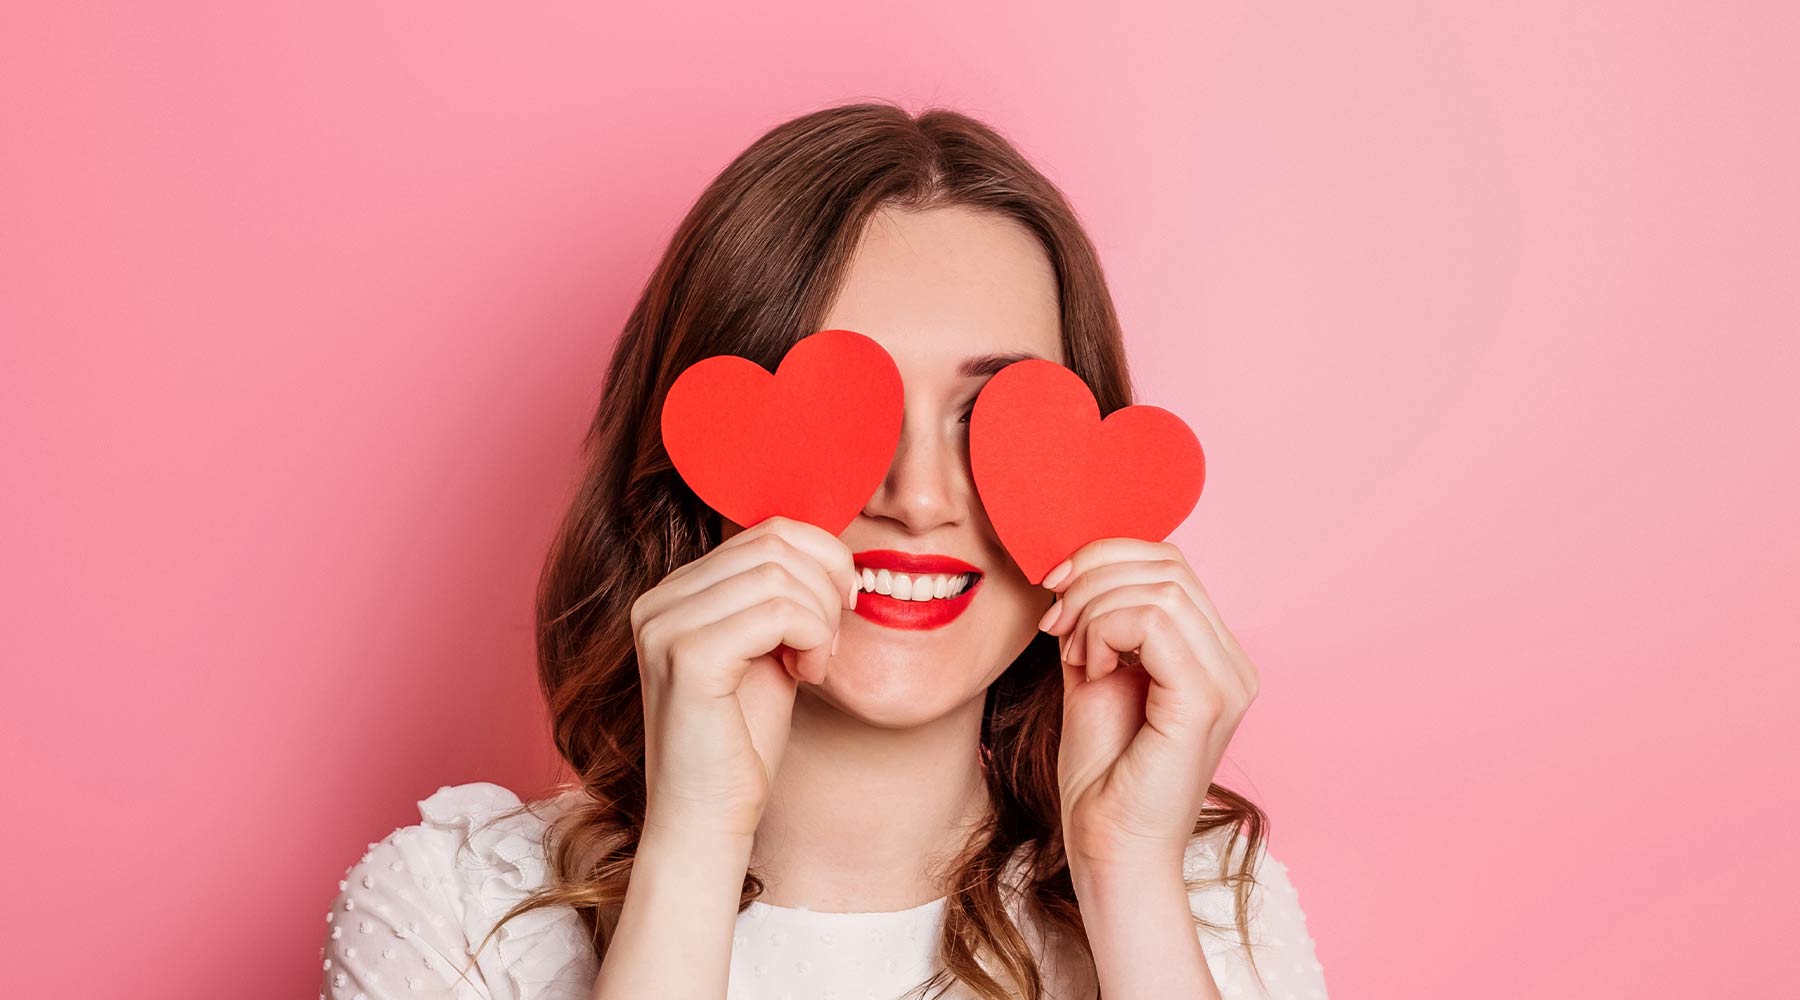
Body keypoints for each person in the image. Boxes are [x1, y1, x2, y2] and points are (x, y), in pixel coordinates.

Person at [318, 101, 1327, 1000]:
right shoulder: (454, 914)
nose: (918, 500)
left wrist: (1126, 878)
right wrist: (694, 845)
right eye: (847, 413)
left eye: (988, 418)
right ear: (707, 461)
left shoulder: (1202, 906)